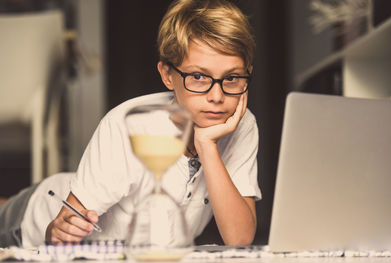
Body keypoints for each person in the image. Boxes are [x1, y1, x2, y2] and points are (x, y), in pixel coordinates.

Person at [0, 0, 261, 248]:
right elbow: (62, 230)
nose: (217, 96)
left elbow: (239, 238)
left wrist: (206, 145)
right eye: (198, 77)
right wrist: (57, 230)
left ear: (247, 74)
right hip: (40, 211)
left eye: (232, 78)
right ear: (168, 75)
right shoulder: (129, 125)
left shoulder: (240, 124)